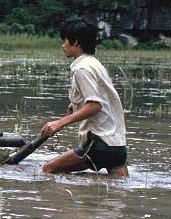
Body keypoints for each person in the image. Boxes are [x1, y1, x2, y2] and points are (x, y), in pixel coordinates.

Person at [40, 18, 129, 177]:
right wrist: (76, 103)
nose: (62, 45)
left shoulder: (82, 69)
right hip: (117, 146)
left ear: (75, 42)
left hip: (100, 143)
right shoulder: (94, 64)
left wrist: (59, 123)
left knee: (48, 169)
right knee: (120, 186)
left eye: (65, 40)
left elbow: (95, 105)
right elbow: (100, 96)